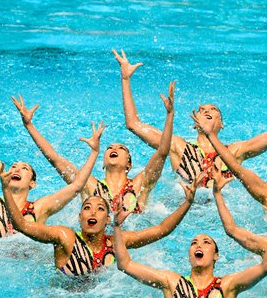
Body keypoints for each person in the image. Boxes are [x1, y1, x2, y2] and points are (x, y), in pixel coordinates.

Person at [114, 49, 267, 187]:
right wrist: (125, 80)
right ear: (194, 123)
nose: (206, 110)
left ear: (221, 124)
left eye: (213, 109)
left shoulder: (235, 151)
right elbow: (133, 124)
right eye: (202, 109)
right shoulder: (177, 146)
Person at [0, 159, 205, 276]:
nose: (93, 212)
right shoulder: (65, 237)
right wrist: (5, 190)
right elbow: (21, 224)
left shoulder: (116, 242)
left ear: (107, 219)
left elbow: (161, 230)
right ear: (79, 217)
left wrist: (187, 203)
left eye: (100, 209)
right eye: (87, 208)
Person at [0, 101, 102, 240]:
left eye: (24, 168)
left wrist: (94, 152)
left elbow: (76, 185)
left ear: (32, 183)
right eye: (13, 167)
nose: (16, 169)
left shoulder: (39, 208)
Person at [12, 81, 176, 213]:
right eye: (109, 147)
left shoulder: (140, 184)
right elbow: (55, 159)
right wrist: (29, 126)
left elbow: (162, 152)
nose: (114, 149)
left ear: (129, 164)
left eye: (121, 148)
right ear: (103, 162)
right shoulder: (88, 185)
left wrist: (169, 115)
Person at [112, 199, 267, 298]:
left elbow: (266, 266)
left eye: (206, 243)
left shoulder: (227, 285)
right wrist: (117, 227)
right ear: (189, 255)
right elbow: (124, 264)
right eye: (194, 243)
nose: (199, 246)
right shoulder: (172, 282)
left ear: (216, 256)